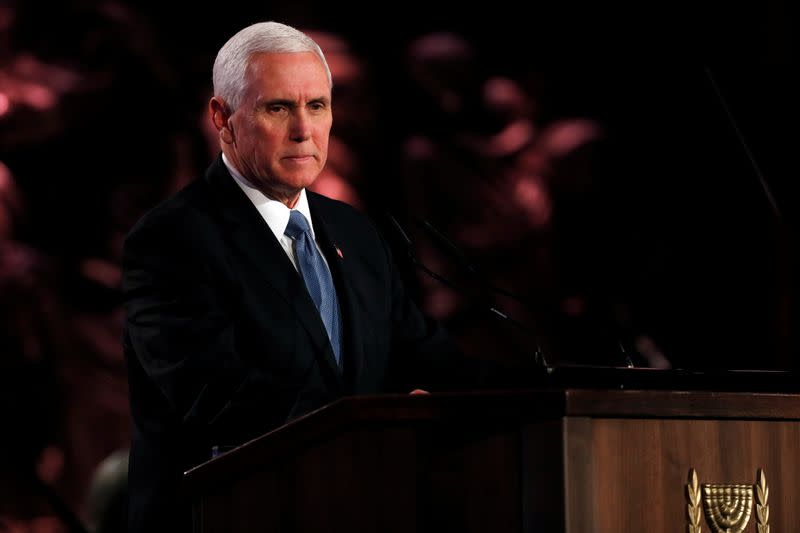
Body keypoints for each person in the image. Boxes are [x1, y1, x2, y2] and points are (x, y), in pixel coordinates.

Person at [122, 21, 515, 533]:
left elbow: (425, 359)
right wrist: (376, 422)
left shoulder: (355, 231)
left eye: (318, 106)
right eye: (278, 107)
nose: (304, 131)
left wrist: (547, 390)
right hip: (227, 516)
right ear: (223, 117)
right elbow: (215, 396)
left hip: (359, 508)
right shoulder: (172, 239)